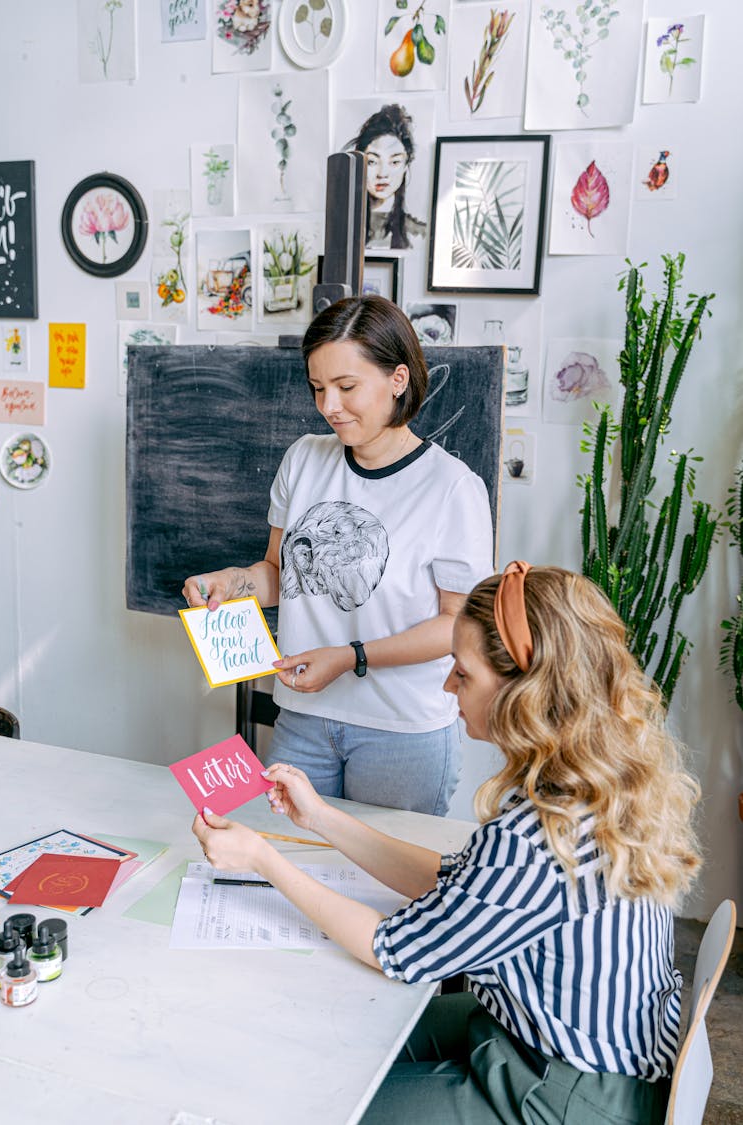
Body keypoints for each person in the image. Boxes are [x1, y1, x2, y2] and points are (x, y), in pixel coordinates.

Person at [193, 563, 702, 1124]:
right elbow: (458, 879)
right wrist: (321, 817)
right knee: (327, 1043)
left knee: (326, 1098)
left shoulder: (534, 838)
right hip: (586, 1048)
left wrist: (263, 859)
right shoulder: (587, 785)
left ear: (521, 690)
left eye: (462, 674)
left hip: (566, 1092)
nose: (447, 686)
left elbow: (394, 950)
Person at [183, 295, 493, 814]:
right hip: (303, 717)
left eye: (347, 387)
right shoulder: (305, 458)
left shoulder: (452, 488)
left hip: (402, 732)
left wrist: (352, 658)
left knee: (385, 883)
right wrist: (230, 582)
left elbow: (459, 624)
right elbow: (279, 573)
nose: (330, 406)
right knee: (284, 864)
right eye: (318, 388)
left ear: (398, 379)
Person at [349, 103, 427, 250]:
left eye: (394, 162)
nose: (382, 174)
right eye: (372, 161)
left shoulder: (419, 234)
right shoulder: (344, 227)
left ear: (406, 165)